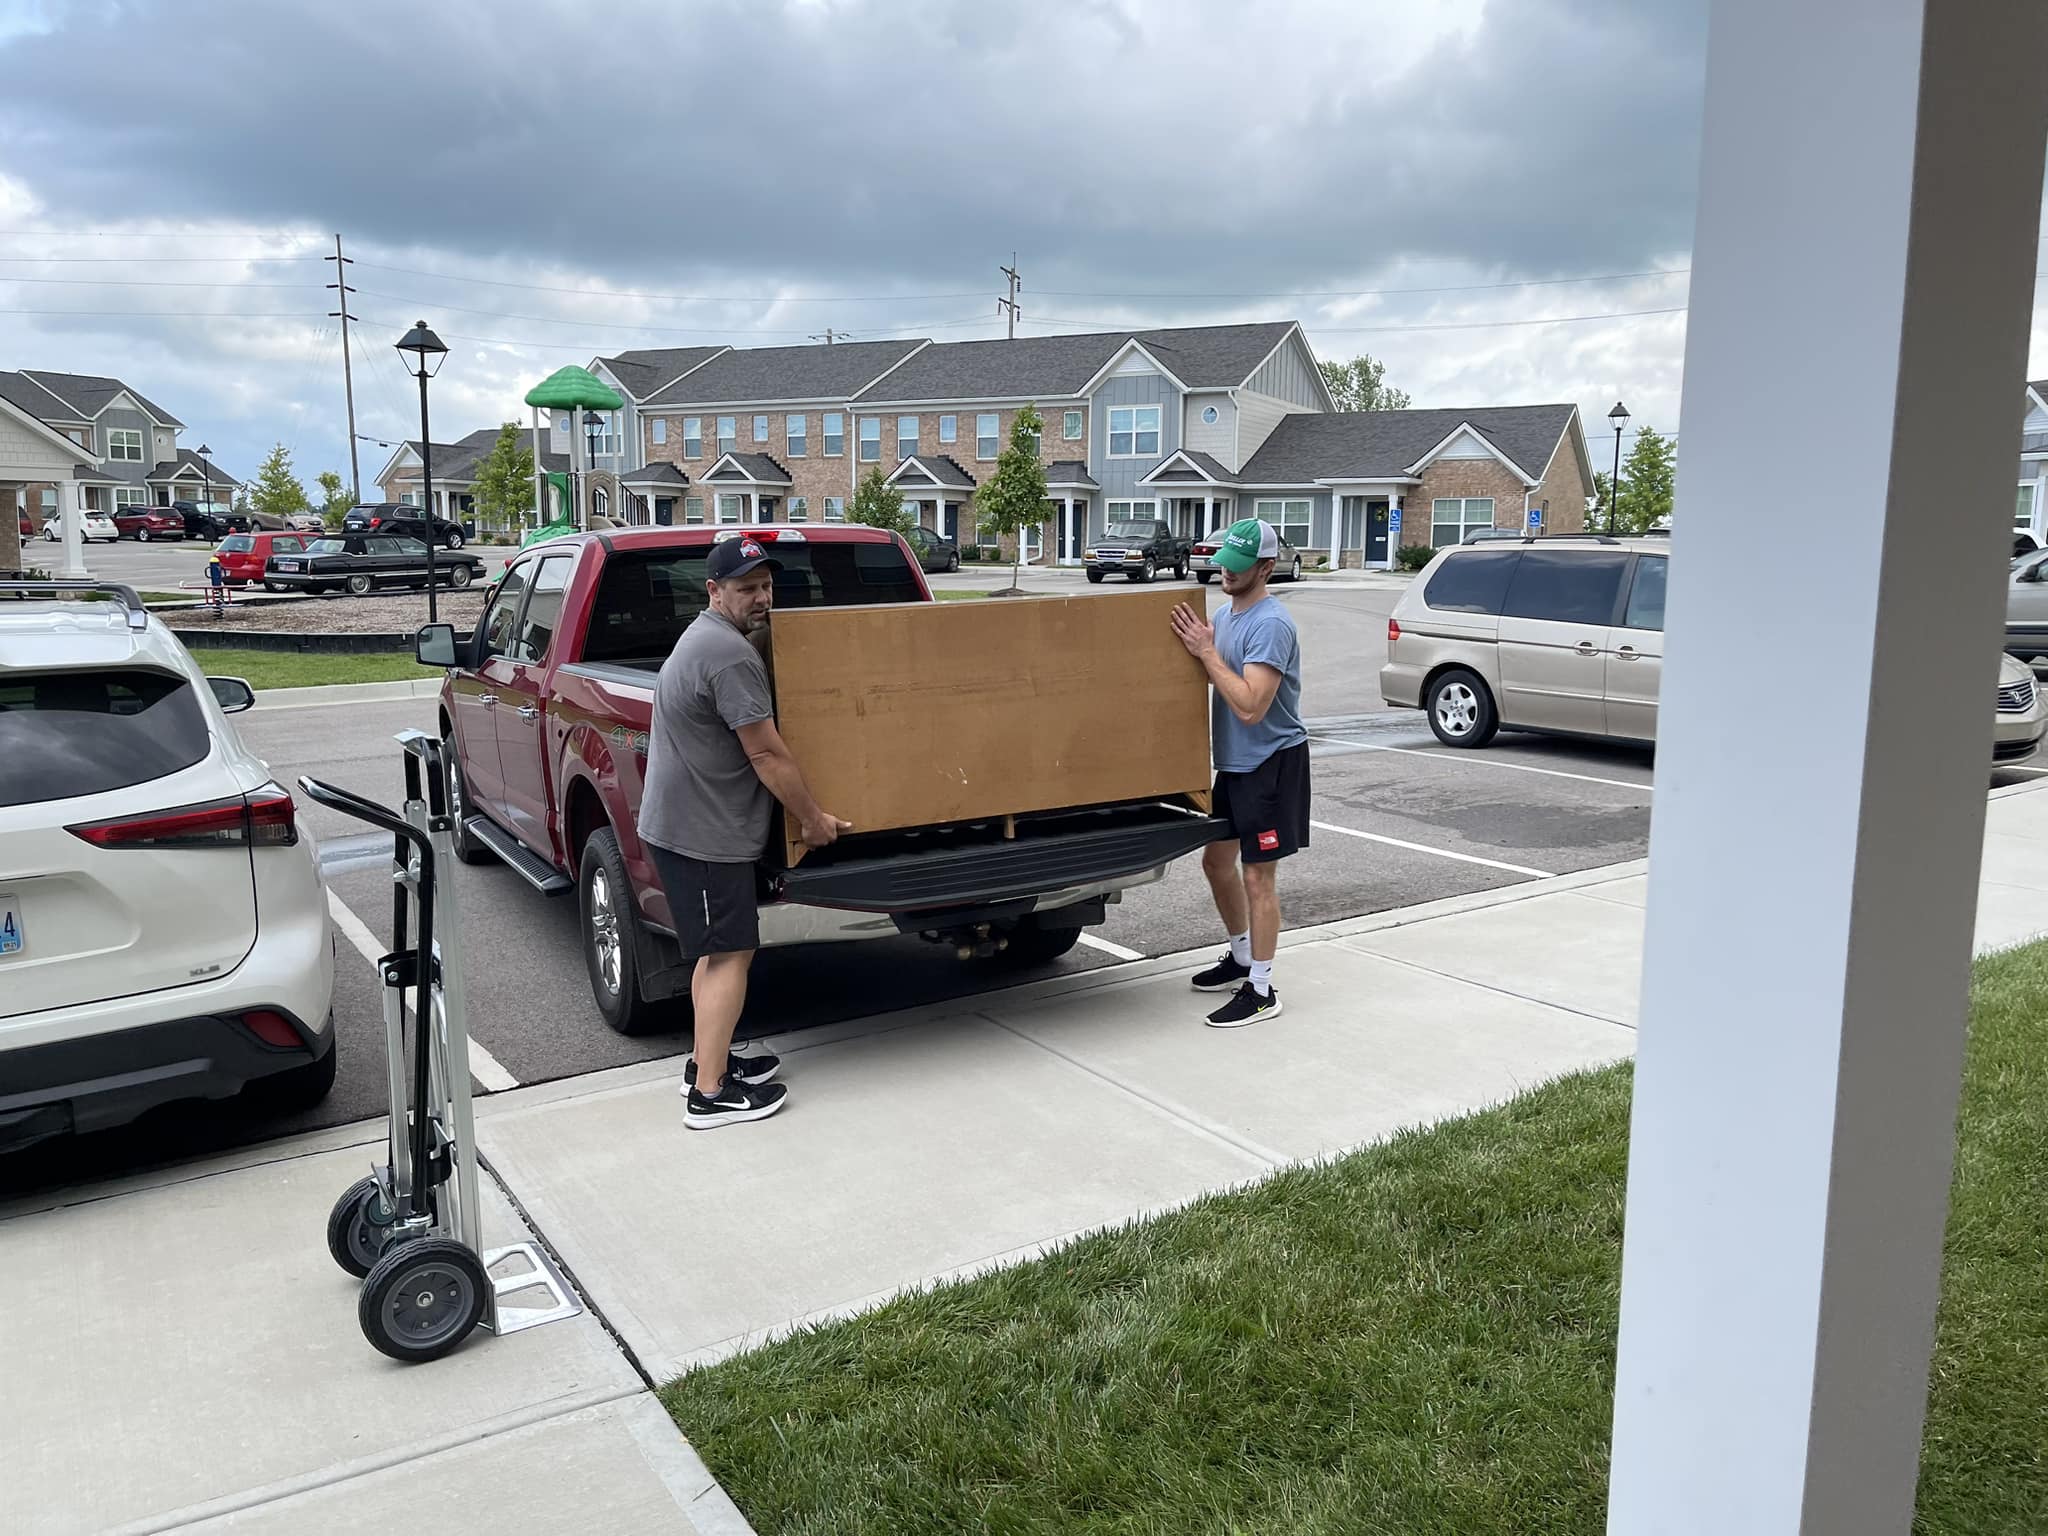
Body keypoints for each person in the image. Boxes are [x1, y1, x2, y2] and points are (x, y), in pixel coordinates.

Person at [638, 535, 851, 1127]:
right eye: (746, 588)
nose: (761, 598)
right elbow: (768, 755)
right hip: (702, 834)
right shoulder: (728, 656)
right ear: (714, 591)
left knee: (716, 953)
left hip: (688, 827)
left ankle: (708, 1060)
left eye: (766, 586)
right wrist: (813, 820)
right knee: (731, 953)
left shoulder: (709, 637)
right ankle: (711, 1095)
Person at [1170, 518, 1310, 1027]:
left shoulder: (1271, 624)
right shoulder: (1227, 617)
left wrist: (1205, 652)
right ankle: (1242, 955)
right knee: (1215, 863)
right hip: (1234, 764)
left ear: (1266, 567)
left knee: (1257, 877)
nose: (1224, 573)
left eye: (1237, 567)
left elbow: (1251, 705)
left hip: (1270, 763)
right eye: (1223, 563)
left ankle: (1263, 989)